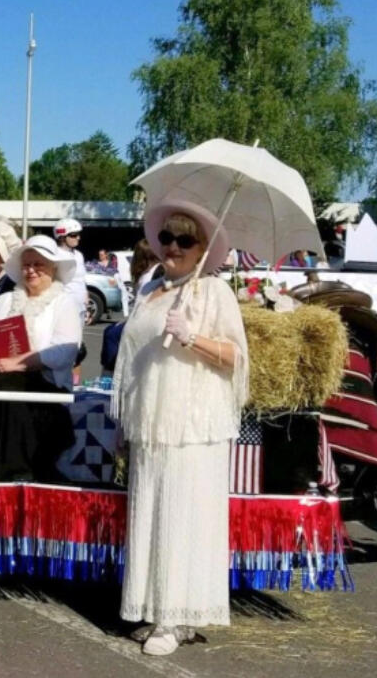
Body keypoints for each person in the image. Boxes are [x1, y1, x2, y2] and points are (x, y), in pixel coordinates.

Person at [111, 199, 248, 656]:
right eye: (167, 237)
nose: (173, 246)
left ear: (203, 248)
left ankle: (177, 617)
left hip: (192, 424)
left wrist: (193, 338)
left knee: (184, 515)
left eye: (185, 239)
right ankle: (159, 608)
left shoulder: (213, 293)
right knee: (152, 513)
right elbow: (131, 361)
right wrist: (123, 419)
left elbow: (237, 358)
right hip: (151, 421)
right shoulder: (152, 289)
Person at [0, 234, 81, 480]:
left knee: (10, 384)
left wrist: (20, 362)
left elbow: (66, 350)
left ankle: (2, 462)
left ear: (52, 268)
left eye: (38, 264)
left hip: (43, 382)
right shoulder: (3, 301)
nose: (31, 270)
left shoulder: (64, 303)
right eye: (27, 265)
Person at [53, 218, 88, 316]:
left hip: (81, 308)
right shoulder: (54, 255)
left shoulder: (79, 255)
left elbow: (82, 281)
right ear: (61, 237)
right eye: (73, 235)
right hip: (64, 310)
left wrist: (87, 307)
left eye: (78, 234)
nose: (78, 238)